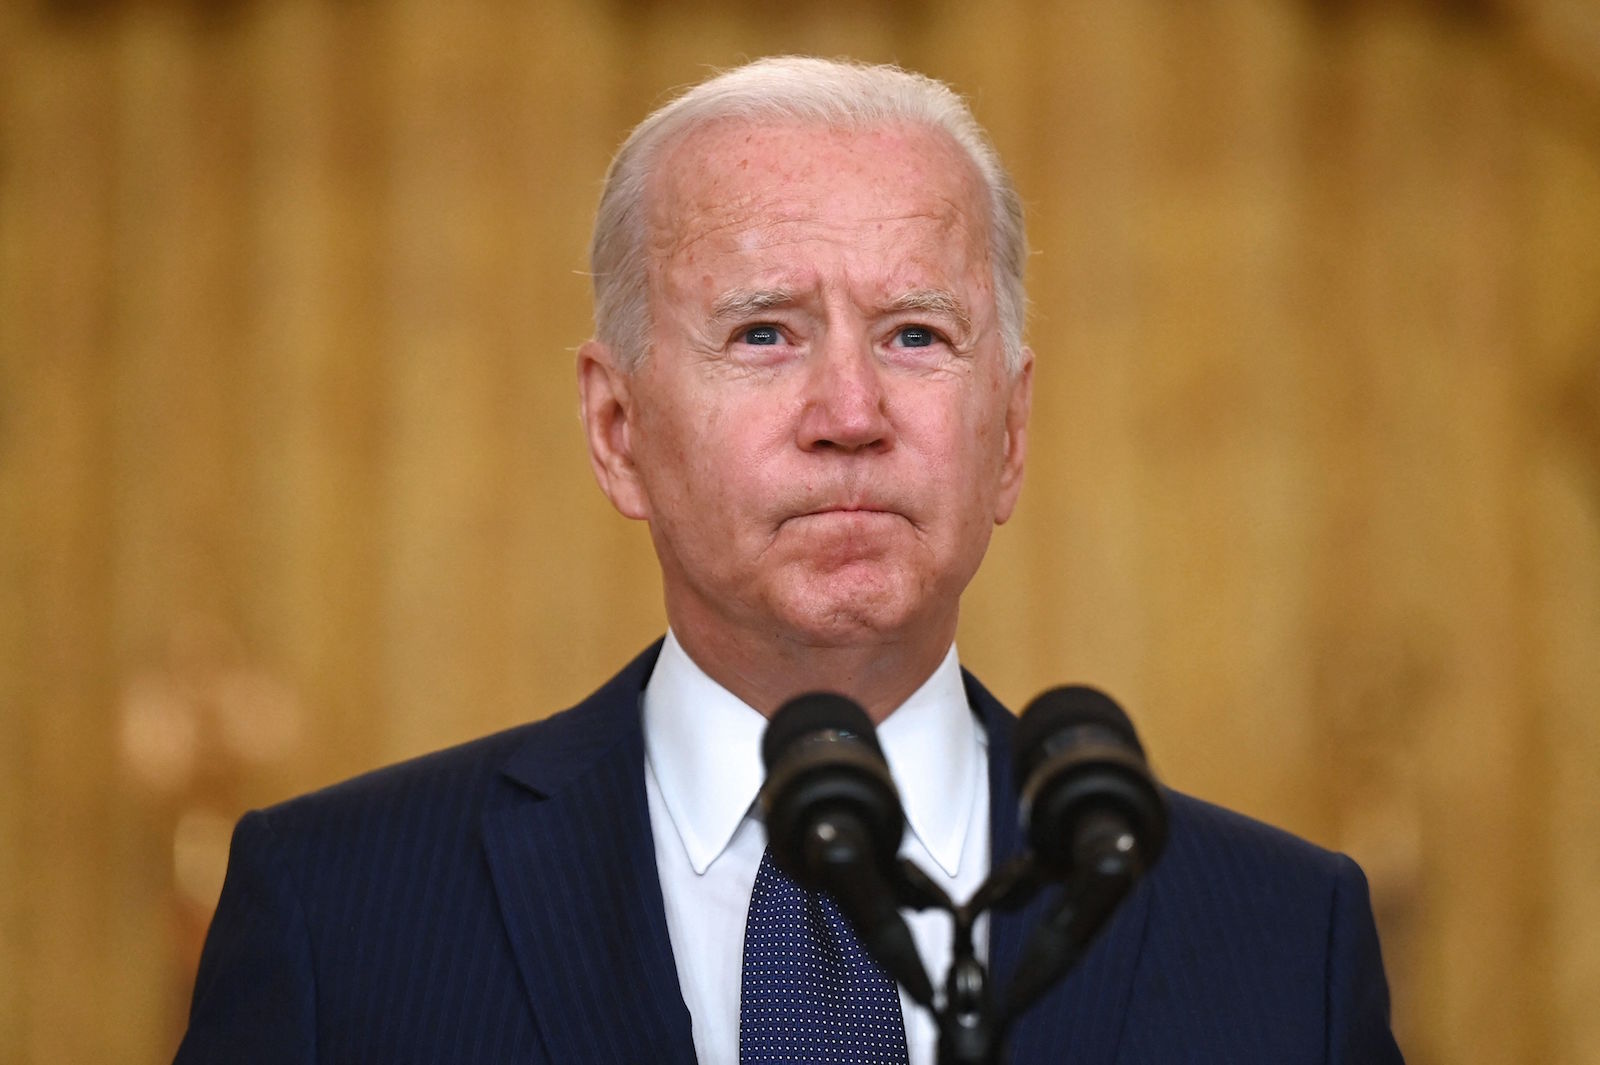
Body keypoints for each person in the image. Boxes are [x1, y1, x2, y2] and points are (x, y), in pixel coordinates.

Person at [173, 56, 1403, 1064]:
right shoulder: (342, 912)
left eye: (916, 334)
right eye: (764, 333)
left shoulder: (1284, 941)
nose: (851, 410)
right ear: (617, 431)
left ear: (1010, 434)